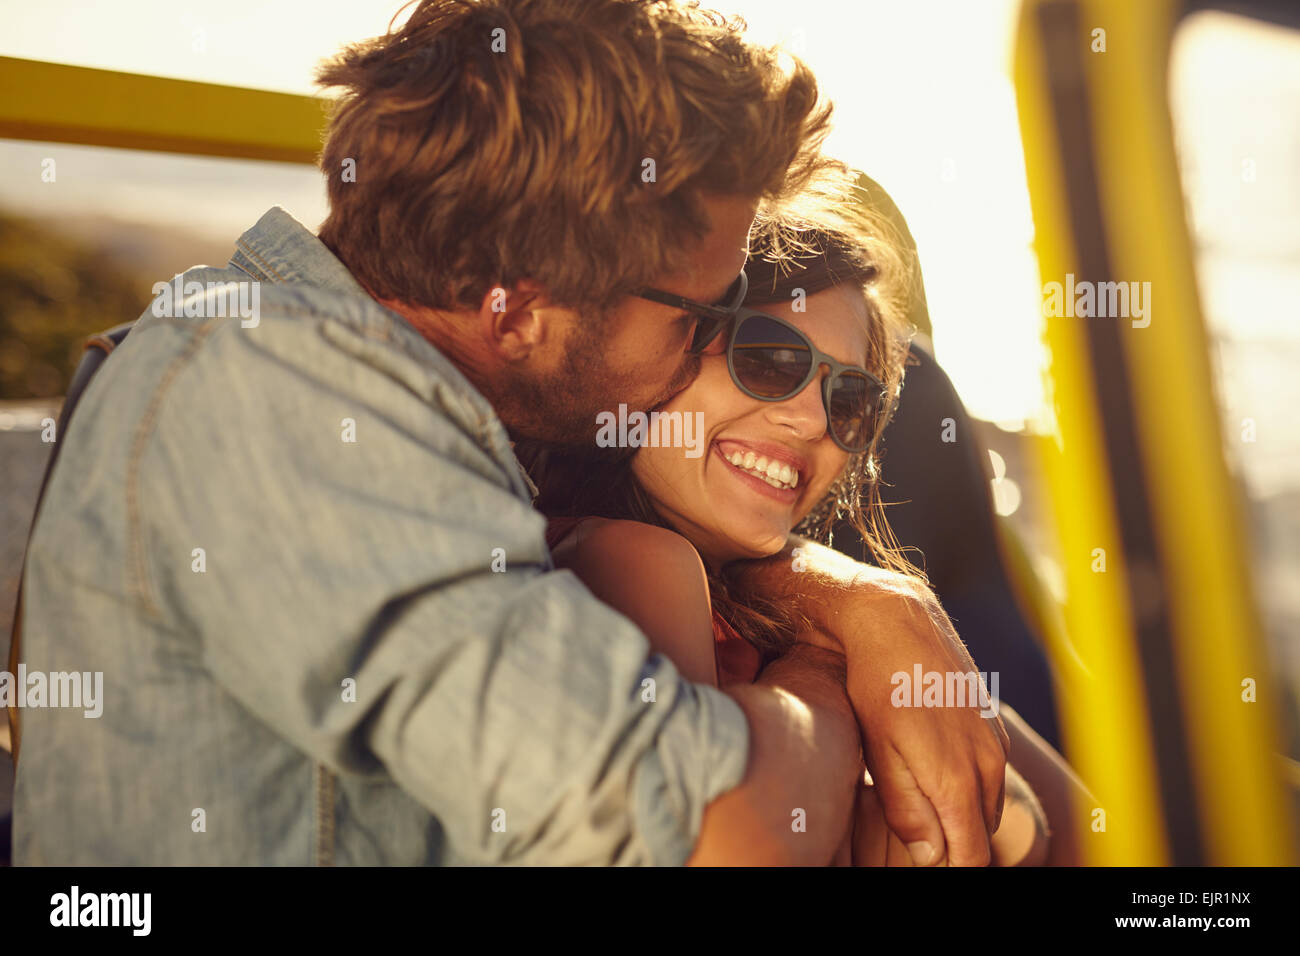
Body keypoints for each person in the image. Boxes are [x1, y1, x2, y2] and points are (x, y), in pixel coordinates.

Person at [10, 0, 1005, 866]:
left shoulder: (403, 391)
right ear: (517, 312)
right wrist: (821, 681)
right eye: (704, 315)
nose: (709, 340)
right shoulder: (272, 395)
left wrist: (847, 594)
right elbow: (713, 835)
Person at [519, 218, 1093, 864]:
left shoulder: (803, 619)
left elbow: (1085, 831)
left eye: (850, 401)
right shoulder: (632, 565)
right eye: (767, 359)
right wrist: (830, 662)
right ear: (668, 345)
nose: (814, 420)